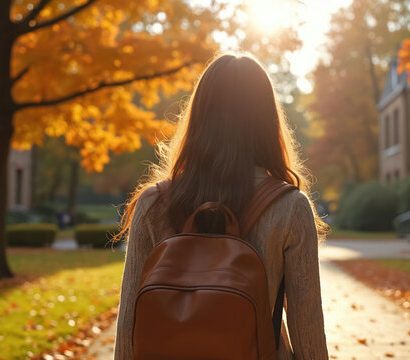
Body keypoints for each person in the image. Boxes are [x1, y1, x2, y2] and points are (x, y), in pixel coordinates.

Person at [113, 52, 329, 359]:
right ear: (267, 121)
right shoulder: (290, 207)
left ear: (199, 117)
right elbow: (308, 334)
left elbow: (128, 332)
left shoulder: (153, 203)